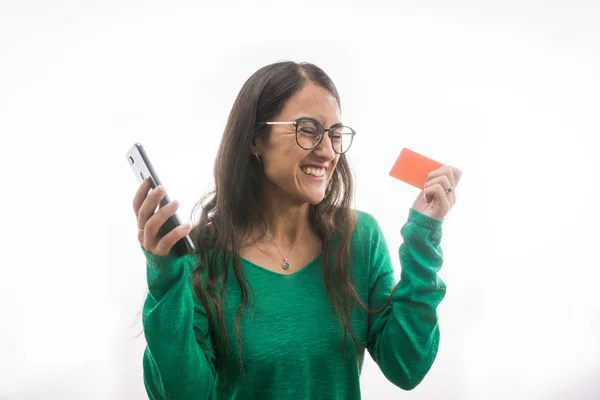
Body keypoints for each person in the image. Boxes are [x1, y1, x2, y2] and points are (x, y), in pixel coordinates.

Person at [132, 61, 461, 400]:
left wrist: (424, 238)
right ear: (256, 139)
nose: (328, 151)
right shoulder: (198, 257)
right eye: (308, 130)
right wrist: (165, 281)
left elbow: (407, 365)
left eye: (335, 134)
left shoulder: (360, 238)